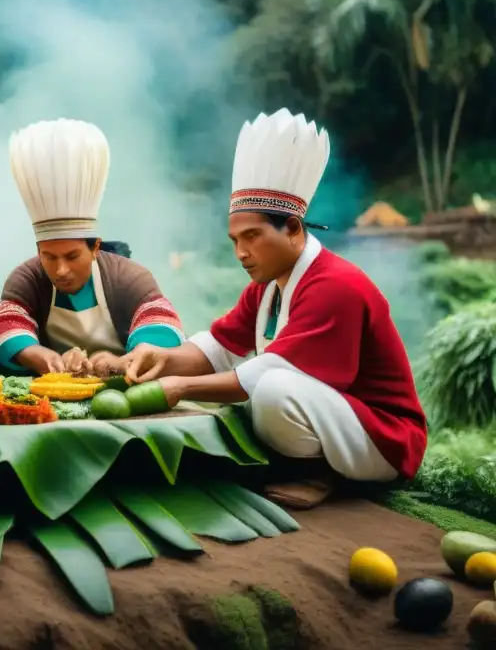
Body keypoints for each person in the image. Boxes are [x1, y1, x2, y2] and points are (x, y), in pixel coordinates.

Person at [121, 108, 428, 509]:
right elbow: (216, 348)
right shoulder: (267, 286)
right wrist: (160, 358)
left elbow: (273, 371)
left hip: (384, 439)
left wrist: (180, 387)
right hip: (341, 425)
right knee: (261, 393)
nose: (241, 253)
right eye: (234, 240)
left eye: (252, 236)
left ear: (295, 230)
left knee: (272, 391)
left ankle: (320, 473)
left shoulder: (336, 285)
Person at [0, 119, 185, 377]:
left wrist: (119, 361)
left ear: (95, 248)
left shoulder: (129, 277)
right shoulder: (27, 278)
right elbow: (5, 326)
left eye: (72, 256)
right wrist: (43, 357)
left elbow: (161, 324)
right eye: (49, 257)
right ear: (38, 251)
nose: (61, 270)